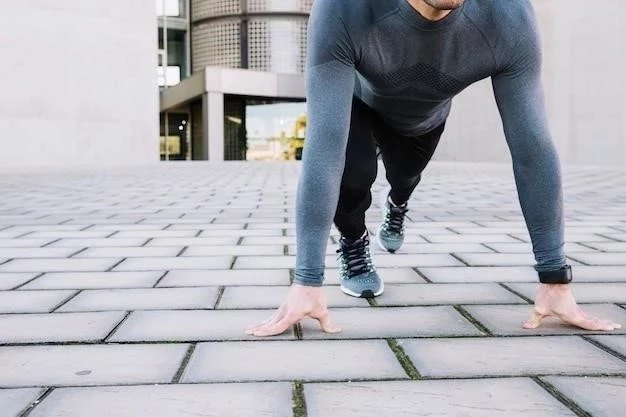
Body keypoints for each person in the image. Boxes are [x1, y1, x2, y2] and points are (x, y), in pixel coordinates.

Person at [246, 0, 621, 336]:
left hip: (423, 122)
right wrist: (307, 280)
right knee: (352, 175)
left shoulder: (508, 16)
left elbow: (532, 148)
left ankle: (397, 205)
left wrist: (555, 278)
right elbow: (323, 149)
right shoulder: (345, 8)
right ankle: (354, 244)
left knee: (405, 178)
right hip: (360, 102)